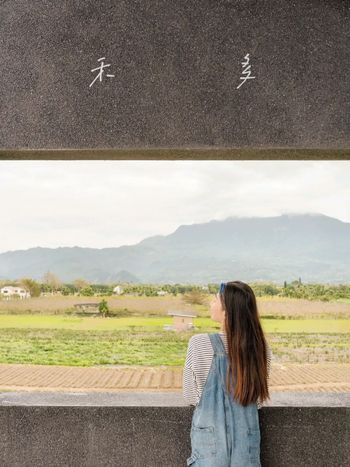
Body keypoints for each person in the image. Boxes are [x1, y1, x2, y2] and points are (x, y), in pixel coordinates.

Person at [183, 281, 272, 466]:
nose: (211, 304)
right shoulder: (261, 348)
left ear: (227, 311)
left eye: (215, 299)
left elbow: (191, 396)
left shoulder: (199, 343)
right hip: (246, 449)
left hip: (209, 449)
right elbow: (258, 401)